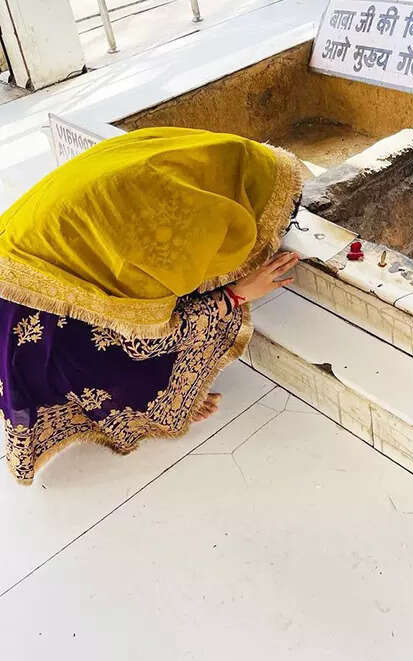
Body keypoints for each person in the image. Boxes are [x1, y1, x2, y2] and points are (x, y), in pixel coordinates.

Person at [0, 127, 304, 485]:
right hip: (34, 324)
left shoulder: (184, 160)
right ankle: (148, 407)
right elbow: (147, 342)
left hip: (15, 265)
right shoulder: (163, 237)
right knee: (195, 312)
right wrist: (239, 293)